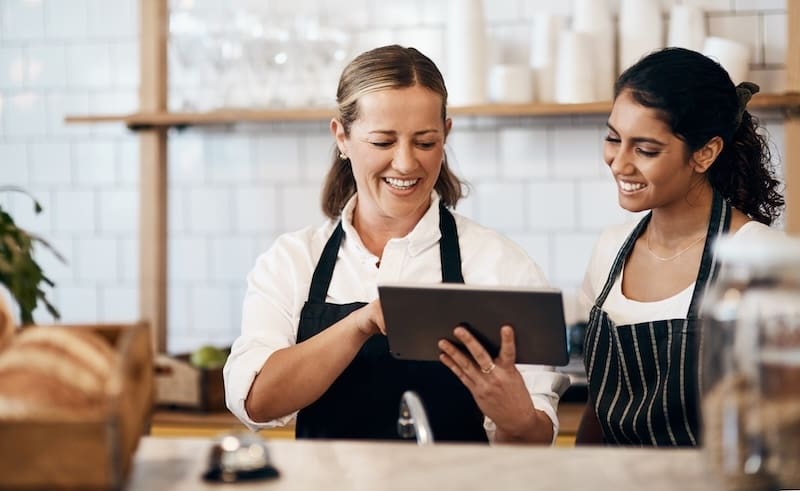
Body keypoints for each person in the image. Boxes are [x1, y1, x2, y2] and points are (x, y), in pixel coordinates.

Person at [224, 45, 568, 444]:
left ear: (446, 135)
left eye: (425, 143)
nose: (405, 163)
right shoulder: (293, 261)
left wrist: (517, 419)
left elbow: (534, 441)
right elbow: (257, 403)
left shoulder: (498, 264)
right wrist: (360, 324)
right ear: (342, 137)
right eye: (383, 142)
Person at [575, 47, 785, 446]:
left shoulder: (759, 260)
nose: (619, 163)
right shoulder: (609, 249)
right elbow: (597, 408)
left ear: (705, 153)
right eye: (613, 138)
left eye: (645, 149)